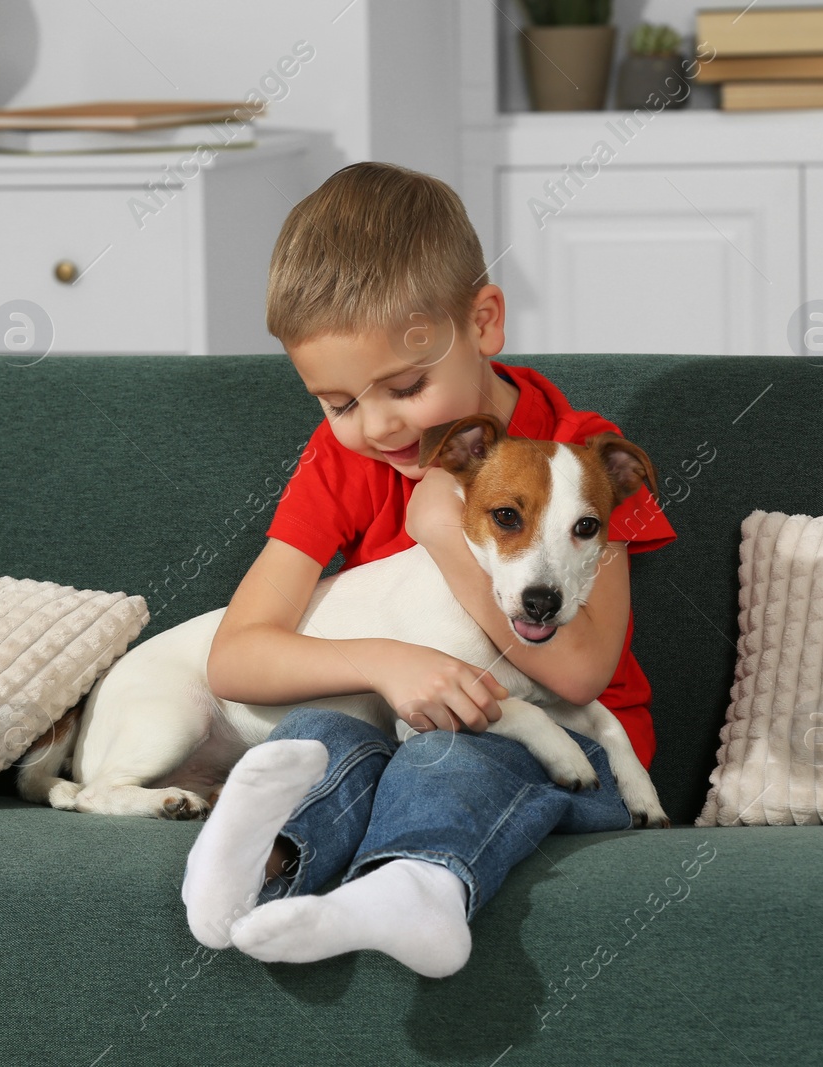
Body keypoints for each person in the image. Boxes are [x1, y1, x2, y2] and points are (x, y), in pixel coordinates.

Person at [181, 161, 678, 978]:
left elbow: (583, 668)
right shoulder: (340, 463)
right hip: (398, 732)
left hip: (569, 752)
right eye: (338, 403)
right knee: (318, 740)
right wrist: (386, 660)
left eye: (406, 386)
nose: (376, 426)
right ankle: (254, 868)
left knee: (452, 759)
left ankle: (419, 884)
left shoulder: (580, 456)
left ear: (483, 322)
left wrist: (448, 534)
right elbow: (236, 655)